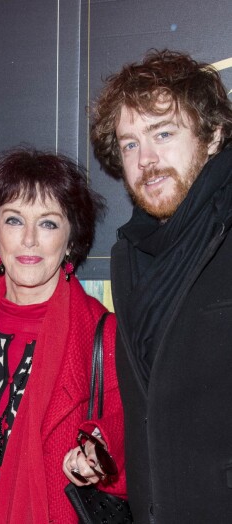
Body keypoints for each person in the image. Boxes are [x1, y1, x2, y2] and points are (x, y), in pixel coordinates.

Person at [0, 147, 127, 523]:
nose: (29, 240)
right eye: (14, 220)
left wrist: (102, 455)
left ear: (72, 240)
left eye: (48, 223)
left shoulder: (102, 335)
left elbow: (132, 446)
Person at [90, 49, 232, 523]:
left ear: (212, 135)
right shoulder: (129, 253)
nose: (145, 160)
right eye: (129, 144)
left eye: (163, 134)